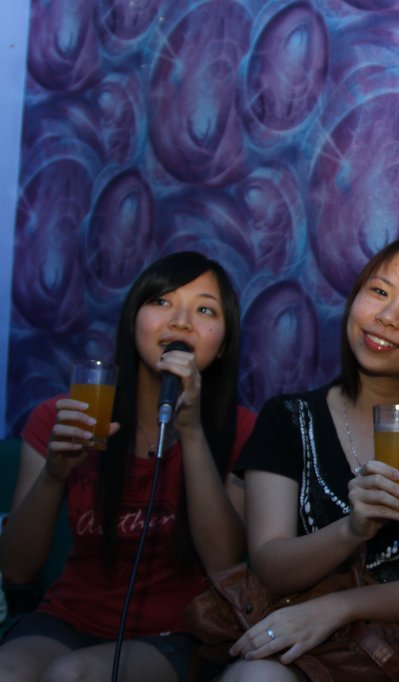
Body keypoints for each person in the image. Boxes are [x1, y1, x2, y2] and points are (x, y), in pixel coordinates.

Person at [222, 234, 399, 681]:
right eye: (379, 291)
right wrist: (353, 529)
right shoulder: (288, 418)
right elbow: (269, 566)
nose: (387, 317)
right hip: (297, 652)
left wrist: (338, 608)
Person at [0, 251, 256, 682]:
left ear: (224, 344)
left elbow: (224, 566)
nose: (180, 322)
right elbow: (16, 569)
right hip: (65, 620)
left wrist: (192, 433)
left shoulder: (244, 430)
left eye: (205, 310)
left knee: (72, 675)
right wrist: (54, 474)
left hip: (180, 633)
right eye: (162, 301)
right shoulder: (64, 418)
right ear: (133, 319)